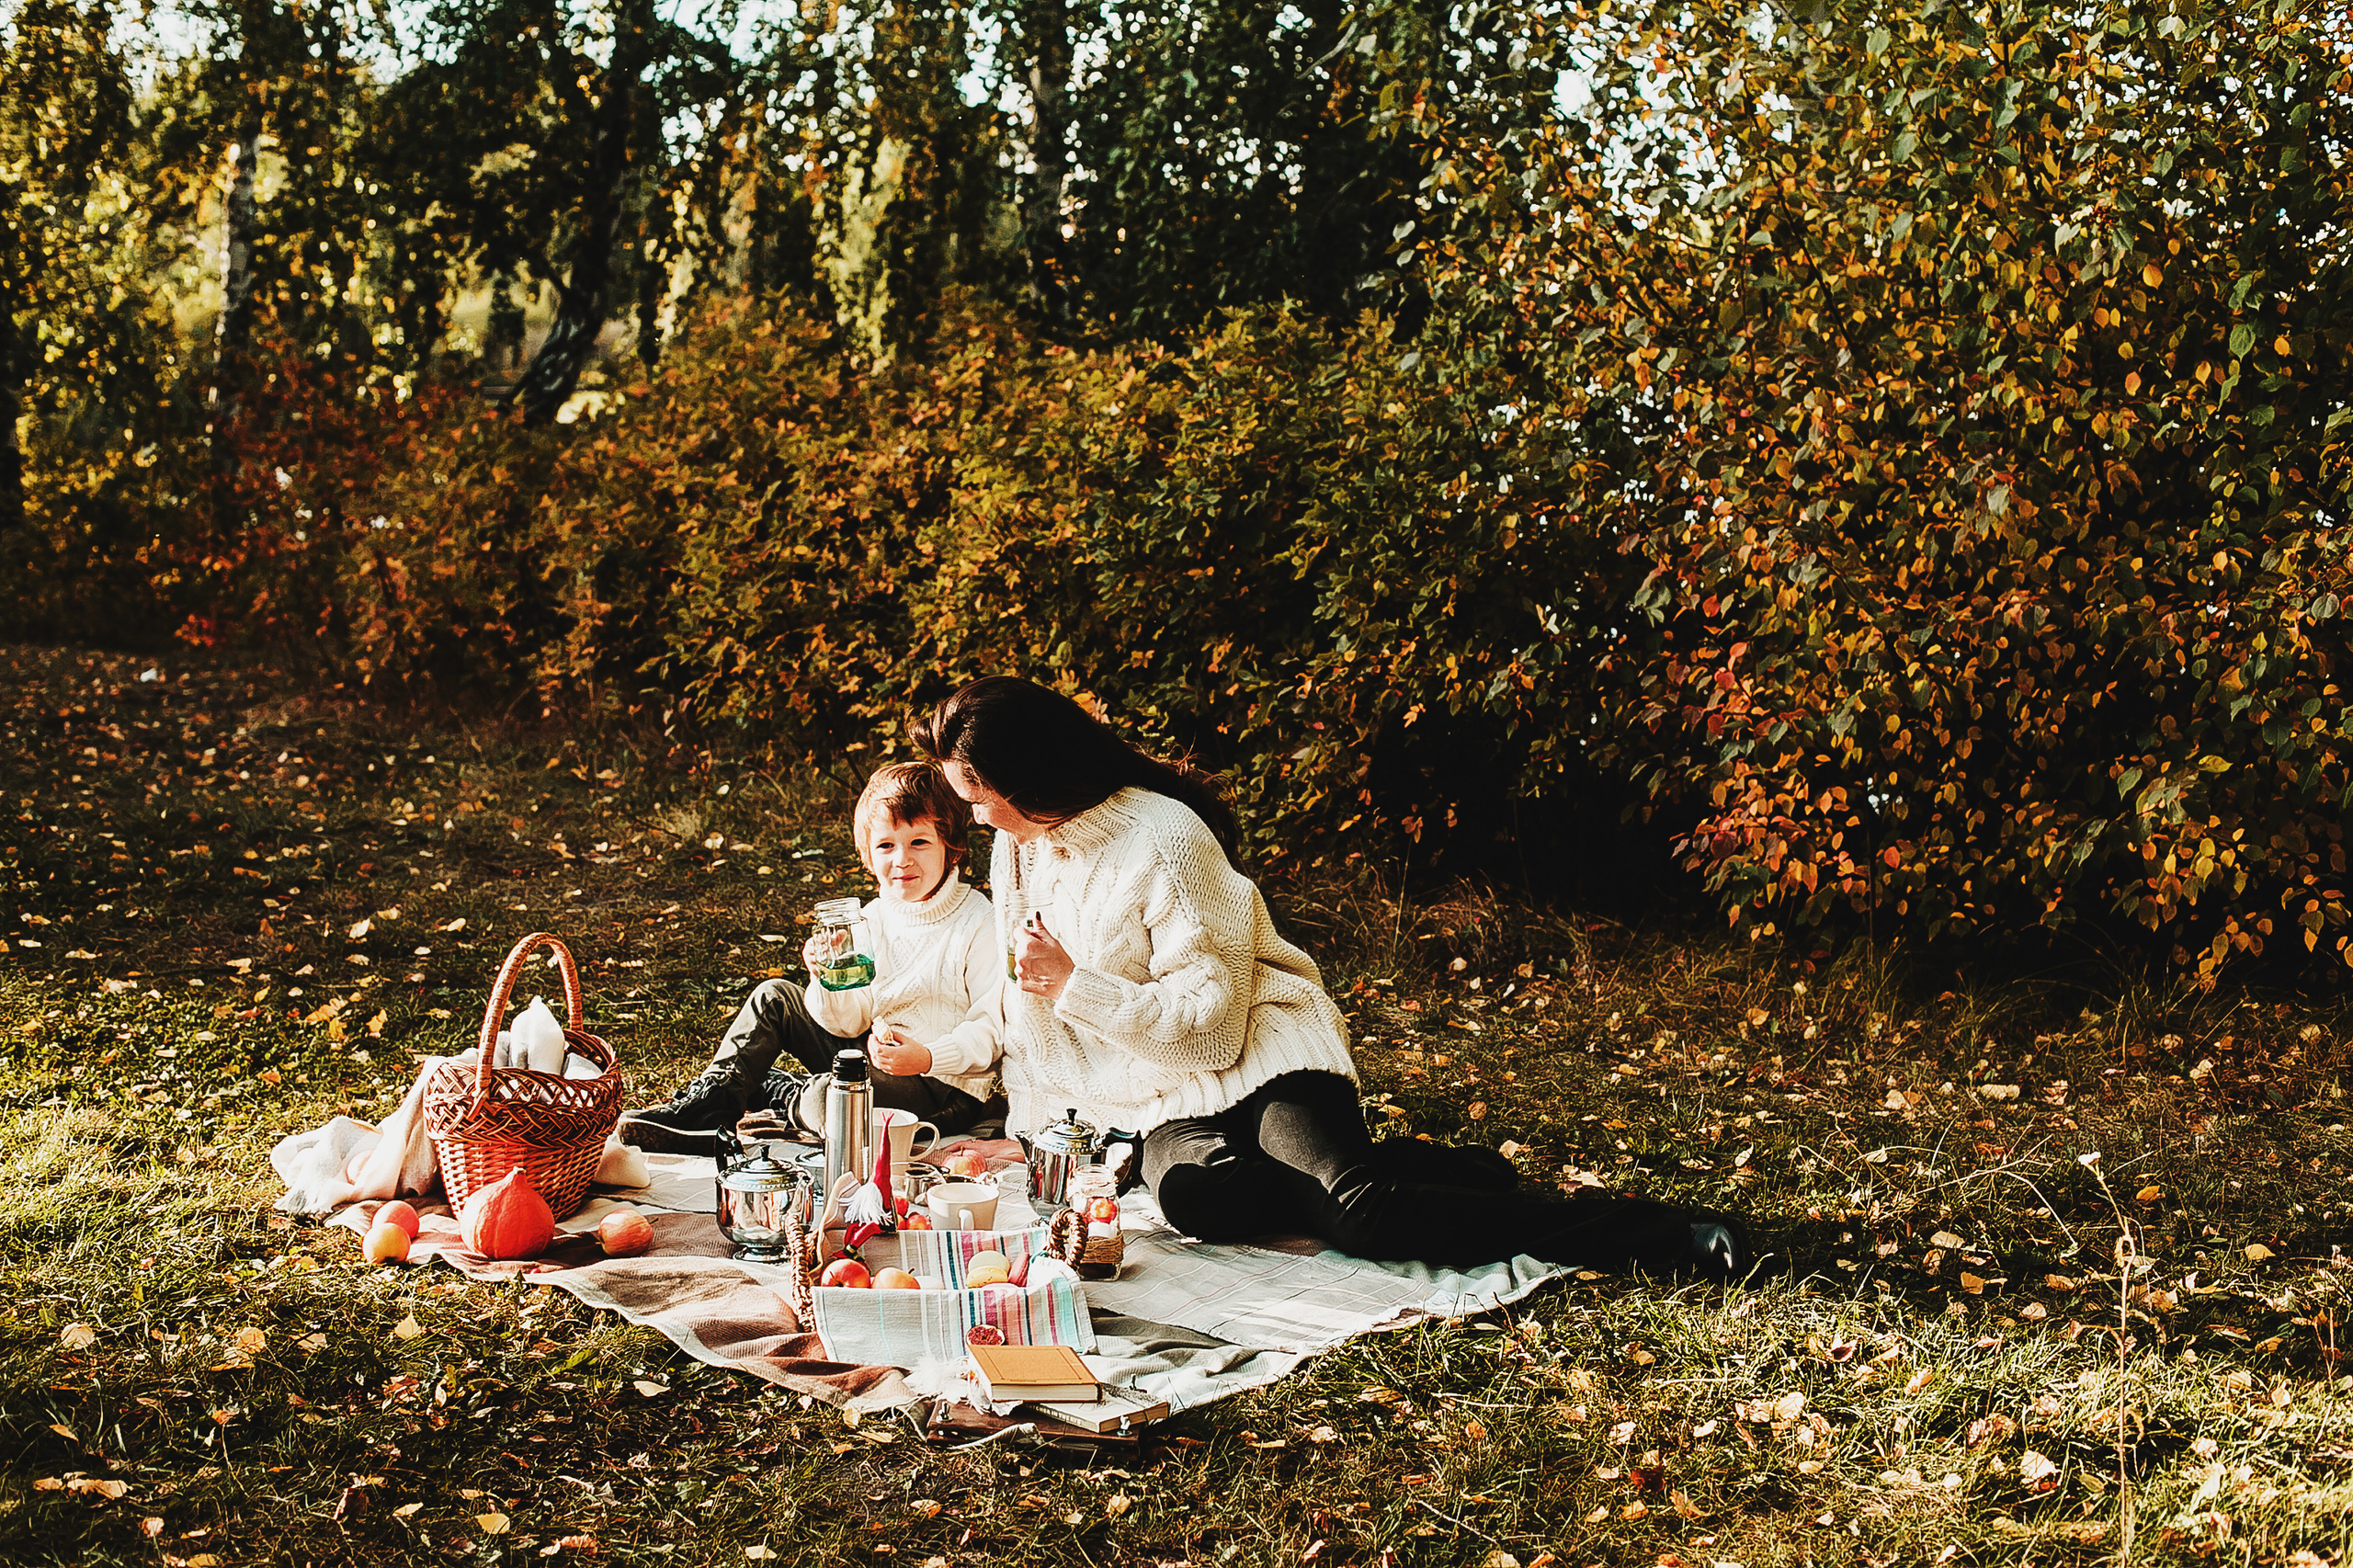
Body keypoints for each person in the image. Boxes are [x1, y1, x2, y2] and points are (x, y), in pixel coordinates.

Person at [875, 676, 1748, 1278]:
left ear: (1031, 775)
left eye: (977, 793)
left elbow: (1213, 1027)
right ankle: (1428, 1171)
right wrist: (1029, 1137)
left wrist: (1074, 984)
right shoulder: (1021, 845)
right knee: (1197, 1200)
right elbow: (1037, 1031)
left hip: (1259, 1052)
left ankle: (1660, 1236)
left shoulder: (1165, 840)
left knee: (1363, 1215)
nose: (971, 813)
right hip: (1165, 1095)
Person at [619, 762, 1003, 1154]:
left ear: (950, 846)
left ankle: (780, 1092)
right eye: (886, 845)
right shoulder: (871, 918)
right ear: (868, 855)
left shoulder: (978, 922)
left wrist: (925, 1057)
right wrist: (826, 979)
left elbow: (991, 1030)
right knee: (775, 997)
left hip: (943, 1085)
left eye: (919, 842)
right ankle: (711, 1108)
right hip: (870, 1058)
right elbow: (849, 1021)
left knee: (829, 1097)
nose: (901, 859)